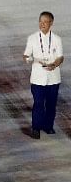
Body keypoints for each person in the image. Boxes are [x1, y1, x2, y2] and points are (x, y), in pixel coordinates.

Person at [23, 11, 63, 139]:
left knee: (51, 104)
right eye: (40, 22)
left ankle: (48, 126)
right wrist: (29, 59)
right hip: (37, 78)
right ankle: (36, 128)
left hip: (53, 78)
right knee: (39, 103)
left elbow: (60, 57)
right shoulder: (32, 38)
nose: (42, 24)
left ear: (51, 23)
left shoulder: (57, 39)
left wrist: (54, 64)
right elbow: (26, 55)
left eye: (45, 22)